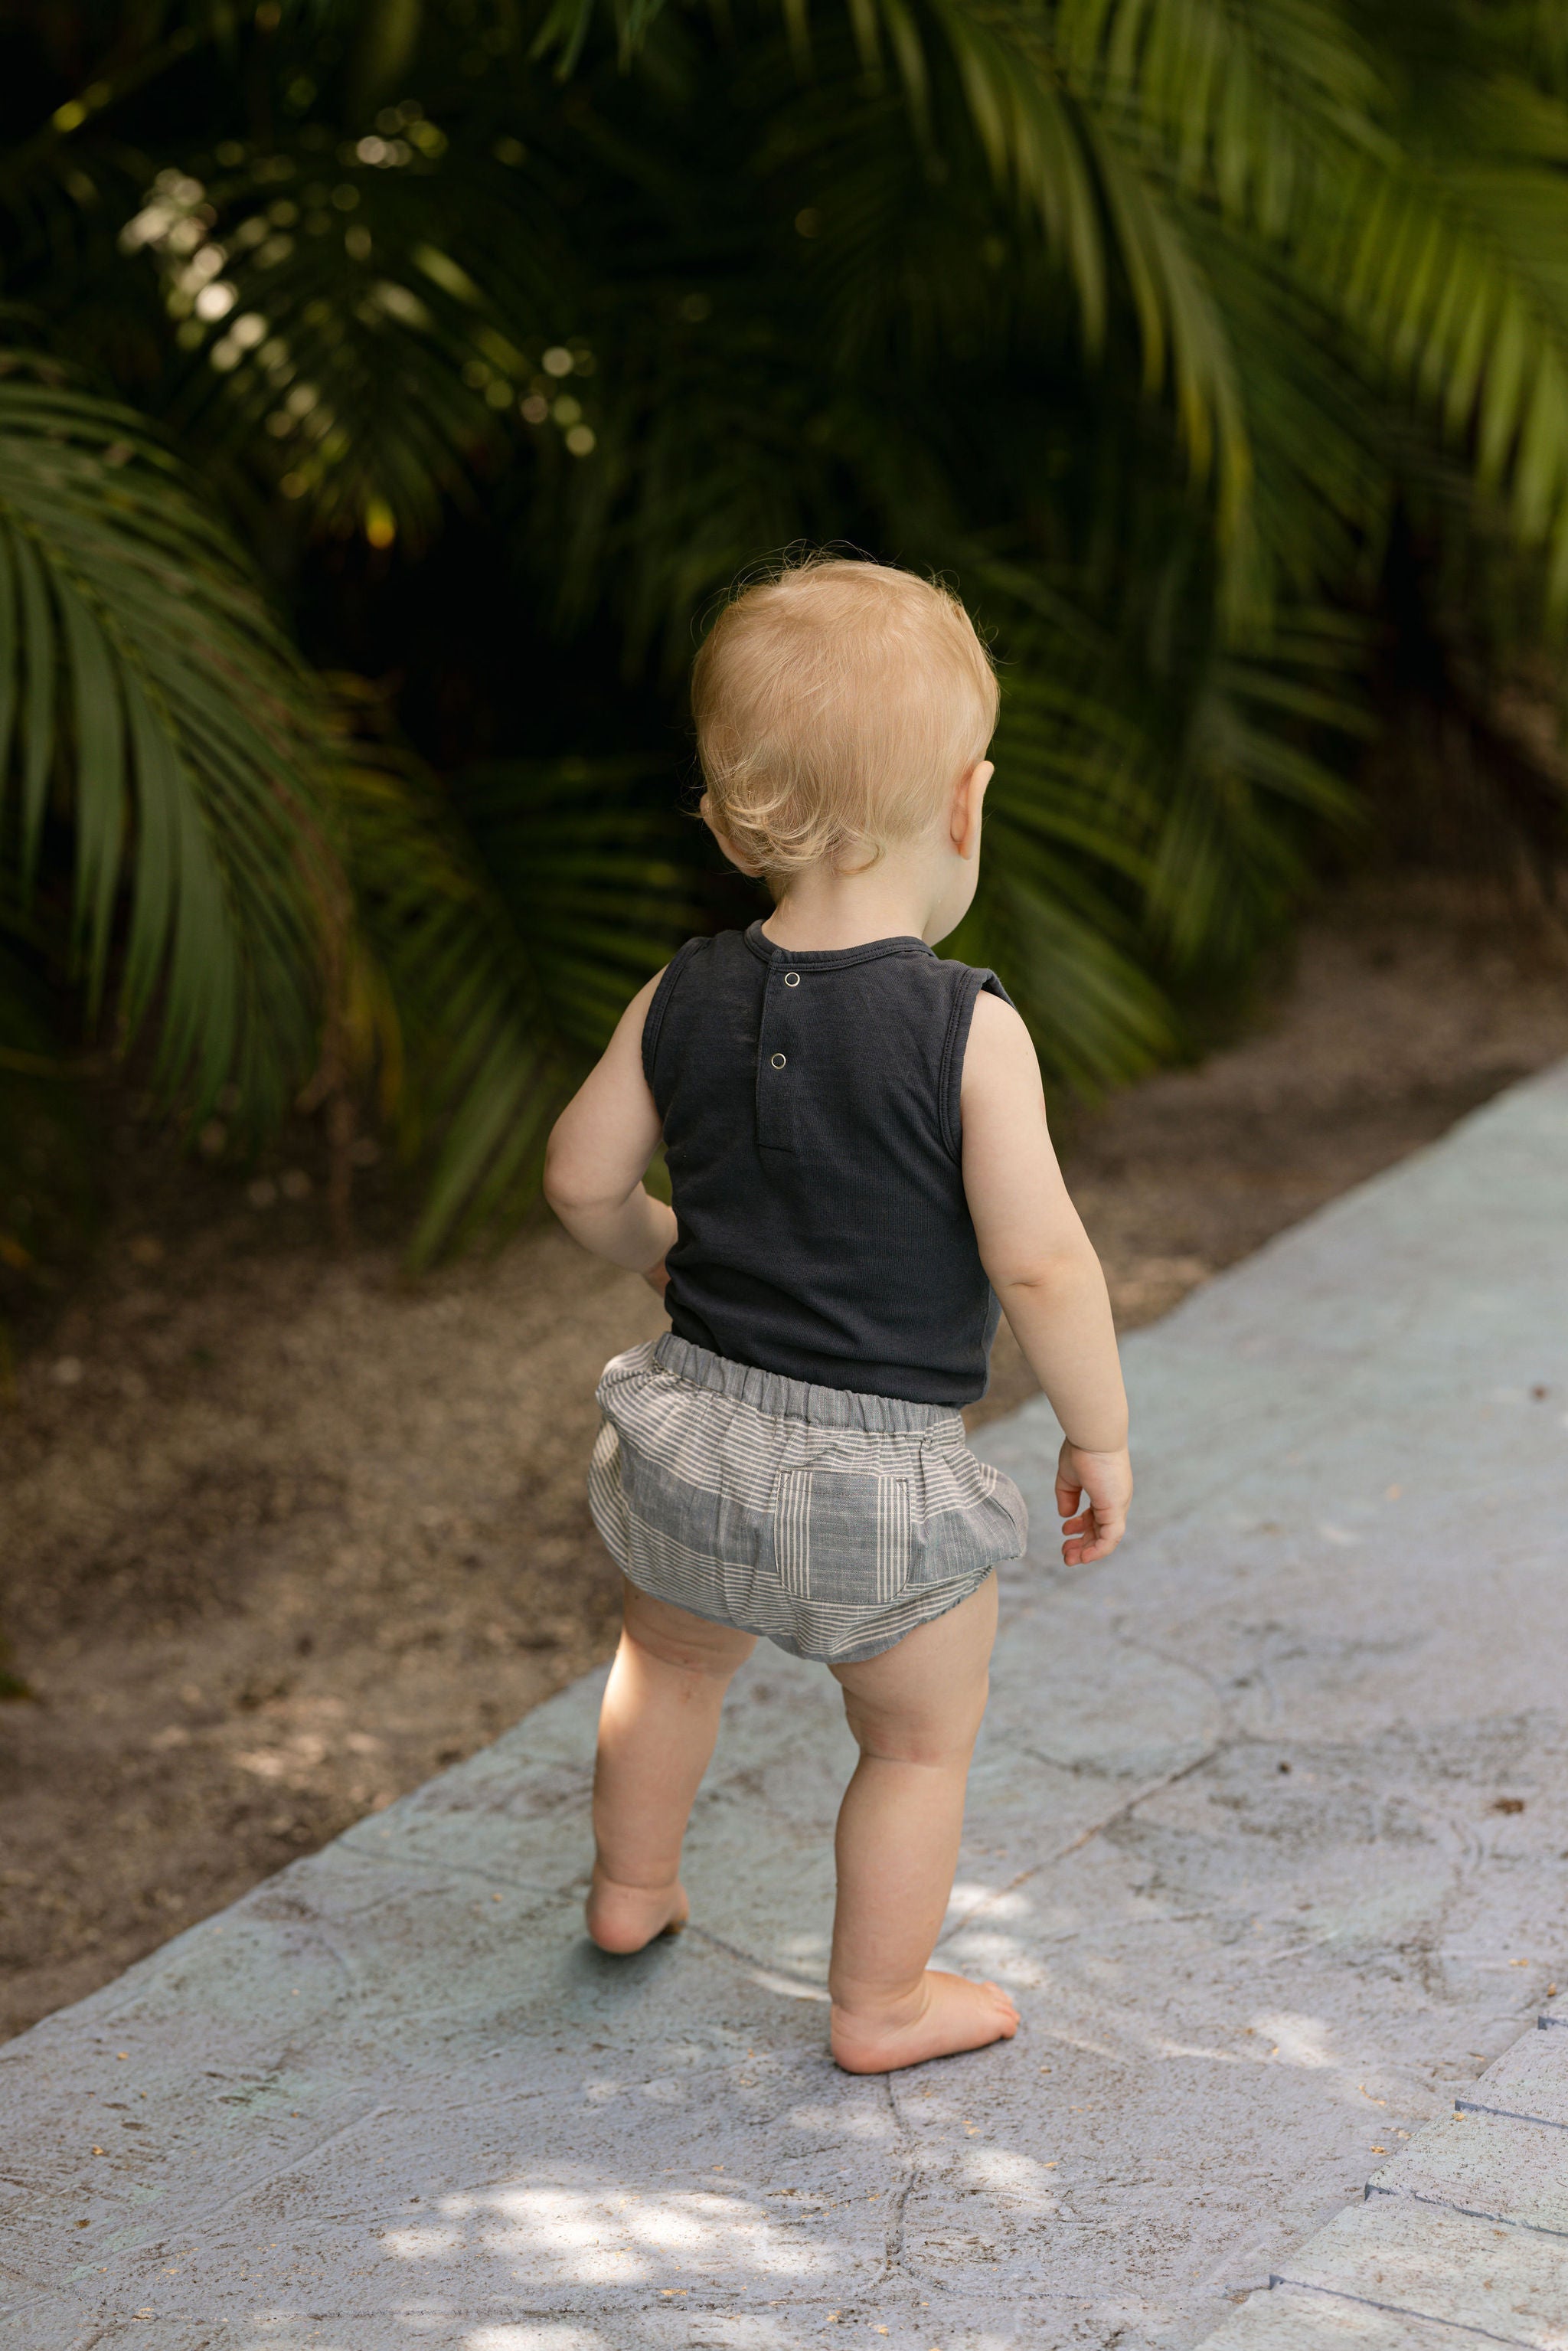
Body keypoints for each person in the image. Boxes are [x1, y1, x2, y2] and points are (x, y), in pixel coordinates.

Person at [544, 554, 1132, 2074]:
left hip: (692, 1441)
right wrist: (1098, 1431)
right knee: (918, 1739)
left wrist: (659, 1242)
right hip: (884, 1487)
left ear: (734, 814)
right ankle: (880, 2002)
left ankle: (629, 1889)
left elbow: (579, 1178)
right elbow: (1043, 1264)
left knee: (669, 1663)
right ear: (966, 804)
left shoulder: (681, 991)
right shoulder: (967, 1027)